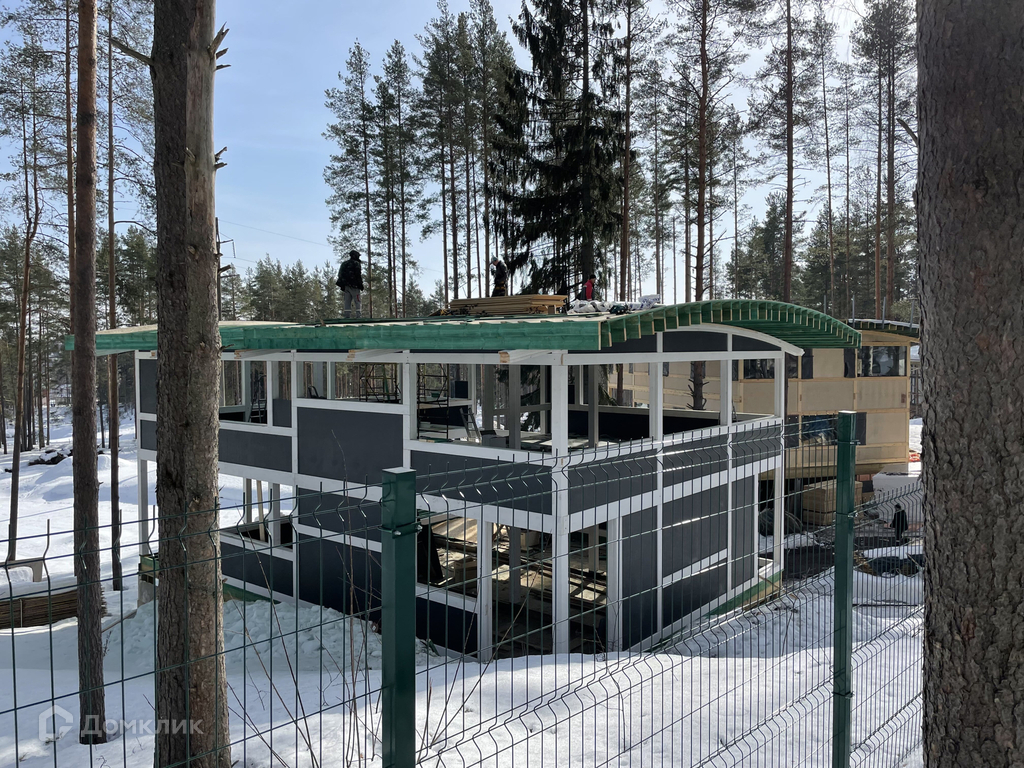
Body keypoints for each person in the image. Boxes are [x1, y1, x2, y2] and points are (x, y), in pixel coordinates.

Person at [336, 250, 365, 318]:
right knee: (357, 301)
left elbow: (340, 274)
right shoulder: (356, 263)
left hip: (346, 286)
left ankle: (347, 316)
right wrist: (360, 284)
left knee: (347, 301)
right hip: (355, 286)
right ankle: (358, 315)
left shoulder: (344, 264)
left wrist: (342, 284)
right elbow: (358, 275)